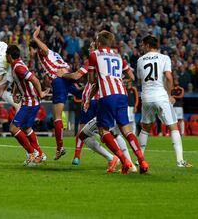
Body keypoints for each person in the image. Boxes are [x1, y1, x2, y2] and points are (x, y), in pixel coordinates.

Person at [61, 42, 136, 173]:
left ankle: (117, 159)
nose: (89, 48)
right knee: (111, 133)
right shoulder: (107, 60)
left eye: (91, 46)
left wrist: (62, 74)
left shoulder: (93, 59)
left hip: (96, 101)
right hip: (103, 99)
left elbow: (76, 76)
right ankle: (126, 162)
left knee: (87, 133)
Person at [86, 30, 148, 174]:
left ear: (99, 42)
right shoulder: (118, 55)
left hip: (107, 95)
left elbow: (90, 80)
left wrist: (101, 79)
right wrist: (118, 79)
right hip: (122, 94)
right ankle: (142, 161)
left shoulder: (94, 54)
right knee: (126, 130)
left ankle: (124, 161)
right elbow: (131, 76)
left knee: (103, 130)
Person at [136, 35, 192, 168]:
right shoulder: (164, 58)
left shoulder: (140, 60)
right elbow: (168, 76)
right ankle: (180, 161)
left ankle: (139, 160)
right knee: (173, 127)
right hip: (160, 96)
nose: (142, 47)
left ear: (148, 46)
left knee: (145, 128)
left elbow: (140, 80)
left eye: (143, 45)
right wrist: (170, 94)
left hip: (146, 97)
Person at [30, 26, 81, 160]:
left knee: (57, 116)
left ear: (36, 48)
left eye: (30, 49)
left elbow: (44, 49)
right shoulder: (54, 54)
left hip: (59, 80)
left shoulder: (43, 53)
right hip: (67, 76)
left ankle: (59, 148)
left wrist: (35, 37)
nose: (29, 53)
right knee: (83, 94)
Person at [6, 44, 48, 166]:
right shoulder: (17, 65)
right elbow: (17, 81)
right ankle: (40, 154)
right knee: (26, 128)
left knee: (13, 128)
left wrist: (40, 92)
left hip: (30, 102)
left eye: (6, 56)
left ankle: (31, 153)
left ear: (9, 56)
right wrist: (14, 93)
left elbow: (34, 79)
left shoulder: (18, 67)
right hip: (30, 101)